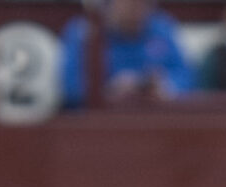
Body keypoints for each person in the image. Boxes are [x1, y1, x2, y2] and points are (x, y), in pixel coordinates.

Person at [59, 0, 192, 110]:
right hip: (99, 122)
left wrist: (165, 86)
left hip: (155, 117)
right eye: (130, 3)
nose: (137, 8)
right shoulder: (84, 31)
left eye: (144, 3)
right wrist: (108, 90)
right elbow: (70, 86)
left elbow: (187, 76)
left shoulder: (162, 27)